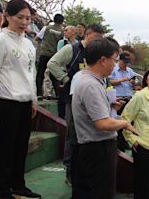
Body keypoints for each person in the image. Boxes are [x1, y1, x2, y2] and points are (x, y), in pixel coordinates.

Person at [0, 0, 41, 199]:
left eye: (28, 18)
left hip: (24, 102)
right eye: (20, 17)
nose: (24, 22)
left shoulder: (29, 45)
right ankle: (3, 191)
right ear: (7, 16)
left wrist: (33, 100)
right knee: (5, 148)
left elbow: (30, 74)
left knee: (21, 146)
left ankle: (18, 185)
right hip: (5, 101)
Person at [72, 38, 138, 199]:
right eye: (114, 60)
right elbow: (102, 123)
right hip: (98, 148)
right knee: (102, 192)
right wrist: (124, 123)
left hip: (93, 147)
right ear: (103, 60)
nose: (115, 65)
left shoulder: (88, 79)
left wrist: (109, 106)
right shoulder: (91, 85)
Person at [47, 24, 105, 187]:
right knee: (72, 135)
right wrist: (66, 79)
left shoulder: (98, 54)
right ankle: (70, 170)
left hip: (91, 101)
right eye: (95, 38)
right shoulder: (73, 49)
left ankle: (83, 171)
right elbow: (52, 63)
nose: (98, 42)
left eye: (101, 39)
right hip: (72, 99)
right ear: (86, 35)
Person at [122, 67, 149, 199]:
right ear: (146, 79)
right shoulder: (139, 96)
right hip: (143, 146)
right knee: (142, 184)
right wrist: (132, 140)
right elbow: (125, 119)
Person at [109, 52, 136, 150]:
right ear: (119, 60)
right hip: (118, 99)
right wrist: (121, 80)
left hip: (128, 99)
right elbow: (109, 82)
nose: (126, 64)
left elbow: (134, 85)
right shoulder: (113, 69)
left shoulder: (130, 71)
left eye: (128, 62)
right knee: (117, 122)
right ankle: (116, 144)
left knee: (127, 122)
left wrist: (133, 83)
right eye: (124, 61)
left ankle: (124, 142)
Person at [36, 14, 64, 97]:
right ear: (62, 21)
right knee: (54, 76)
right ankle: (58, 95)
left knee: (40, 74)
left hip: (44, 53)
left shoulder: (46, 28)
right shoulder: (62, 32)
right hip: (54, 55)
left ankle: (38, 93)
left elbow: (37, 38)